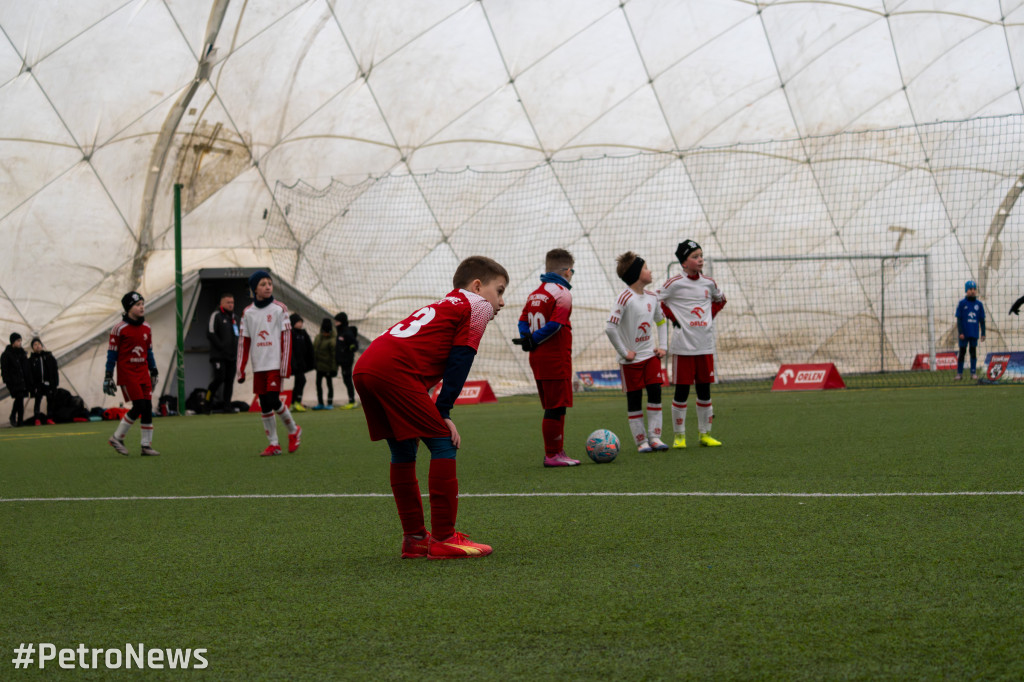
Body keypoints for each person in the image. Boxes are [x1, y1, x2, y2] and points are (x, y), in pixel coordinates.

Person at [353, 255, 508, 560]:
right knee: (443, 443)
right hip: (394, 370)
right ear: (477, 286)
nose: (501, 302)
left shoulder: (446, 304)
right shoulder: (475, 305)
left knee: (403, 451)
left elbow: (423, 356)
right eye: (500, 291)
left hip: (368, 365)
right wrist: (444, 412)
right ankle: (444, 538)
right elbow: (460, 360)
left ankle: (414, 539)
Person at [657, 240, 726, 448]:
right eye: (695, 256)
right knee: (681, 392)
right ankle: (679, 437)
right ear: (684, 262)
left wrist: (708, 317)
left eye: (701, 255)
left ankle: (705, 434)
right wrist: (673, 319)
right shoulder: (674, 283)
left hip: (705, 346)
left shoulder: (709, 283)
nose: (700, 260)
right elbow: (656, 302)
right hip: (683, 348)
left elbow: (721, 300)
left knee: (705, 392)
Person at [516, 248, 579, 467]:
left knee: (553, 405)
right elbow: (555, 324)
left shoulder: (535, 293)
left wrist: (528, 339)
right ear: (568, 270)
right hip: (555, 357)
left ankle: (557, 451)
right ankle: (553, 454)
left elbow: (522, 320)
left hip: (537, 358)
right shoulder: (562, 293)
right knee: (556, 406)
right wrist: (534, 340)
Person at [605, 252, 669, 452]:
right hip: (631, 361)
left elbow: (661, 321)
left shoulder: (652, 296)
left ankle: (655, 437)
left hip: (650, 356)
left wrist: (663, 346)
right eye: (646, 268)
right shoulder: (624, 298)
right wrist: (624, 352)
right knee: (634, 398)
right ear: (636, 274)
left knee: (655, 392)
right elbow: (610, 327)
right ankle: (641, 441)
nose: (650, 271)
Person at [236, 270, 302, 456]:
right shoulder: (248, 313)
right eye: (263, 284)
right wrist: (240, 369)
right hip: (259, 366)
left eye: (269, 283)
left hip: (274, 364)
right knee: (264, 404)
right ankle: (274, 444)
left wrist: (285, 365)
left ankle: (293, 430)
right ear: (254, 289)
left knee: (273, 400)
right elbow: (243, 341)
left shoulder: (279, 309)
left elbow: (286, 338)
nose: (267, 287)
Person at [104, 292, 160, 455]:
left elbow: (148, 351)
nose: (141, 307)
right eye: (137, 304)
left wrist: (153, 369)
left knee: (147, 407)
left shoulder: (147, 328)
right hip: (128, 373)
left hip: (143, 372)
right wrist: (108, 375)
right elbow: (112, 354)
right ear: (128, 308)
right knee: (140, 406)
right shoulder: (119, 329)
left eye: (142, 303)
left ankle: (146, 446)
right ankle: (117, 437)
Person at [206, 292, 238, 411]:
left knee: (230, 380)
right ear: (222, 303)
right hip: (219, 356)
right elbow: (210, 333)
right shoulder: (216, 315)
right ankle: (207, 401)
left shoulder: (234, 318)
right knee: (219, 378)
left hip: (232, 356)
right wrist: (221, 346)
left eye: (232, 302)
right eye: (228, 302)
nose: (231, 305)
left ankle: (227, 406)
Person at [954, 280, 986, 381]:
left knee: (973, 352)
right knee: (962, 353)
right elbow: (959, 320)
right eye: (970, 289)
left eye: (974, 289)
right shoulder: (962, 303)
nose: (972, 291)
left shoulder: (979, 305)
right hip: (964, 334)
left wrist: (983, 333)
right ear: (966, 291)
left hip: (974, 333)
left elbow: (982, 320)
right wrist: (961, 332)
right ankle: (959, 373)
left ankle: (973, 373)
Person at [1, 332, 32, 427]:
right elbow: (4, 369)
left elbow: (26, 368)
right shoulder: (6, 355)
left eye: (20, 341)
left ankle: (17, 419)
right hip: (14, 382)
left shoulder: (22, 353)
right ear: (13, 342)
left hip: (22, 381)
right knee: (19, 398)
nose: (20, 343)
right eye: (18, 341)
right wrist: (8, 381)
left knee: (20, 399)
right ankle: (16, 418)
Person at [28, 337, 59, 424]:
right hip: (38, 384)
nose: (37, 346)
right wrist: (32, 386)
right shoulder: (31, 360)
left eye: (39, 344)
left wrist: (55, 383)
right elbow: (30, 374)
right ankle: (37, 419)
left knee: (50, 400)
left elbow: (54, 370)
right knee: (37, 400)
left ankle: (50, 418)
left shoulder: (49, 357)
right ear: (33, 348)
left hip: (49, 383)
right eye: (35, 345)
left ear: (42, 345)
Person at [289, 313, 315, 412]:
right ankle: (297, 402)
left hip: (303, 363)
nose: (300, 324)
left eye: (301, 322)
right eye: (298, 322)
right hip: (296, 364)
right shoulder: (291, 333)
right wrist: (292, 363)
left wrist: (311, 362)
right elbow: (290, 350)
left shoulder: (304, 333)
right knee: (301, 381)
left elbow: (310, 348)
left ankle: (294, 403)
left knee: (299, 382)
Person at [334, 312, 360, 408]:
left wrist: (349, 350)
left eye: (337, 321)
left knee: (348, 380)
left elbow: (354, 345)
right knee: (346, 380)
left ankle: (352, 400)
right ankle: (351, 400)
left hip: (347, 360)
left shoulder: (347, 332)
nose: (335, 323)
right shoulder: (340, 332)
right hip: (342, 360)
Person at [313, 318, 337, 410]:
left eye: (327, 332)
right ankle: (320, 403)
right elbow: (314, 350)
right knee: (318, 384)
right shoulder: (318, 338)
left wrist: (334, 369)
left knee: (329, 384)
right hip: (319, 367)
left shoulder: (333, 340)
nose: (325, 334)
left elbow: (334, 356)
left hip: (328, 367)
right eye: (324, 331)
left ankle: (330, 402)